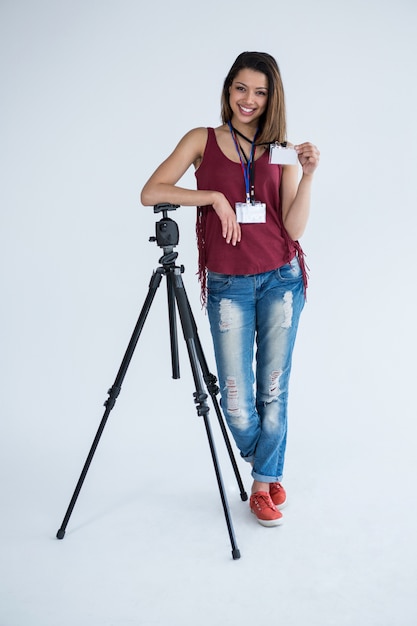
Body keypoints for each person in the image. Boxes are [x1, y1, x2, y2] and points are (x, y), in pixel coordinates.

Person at [141, 51, 320, 527]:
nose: (249, 100)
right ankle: (269, 462)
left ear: (271, 98)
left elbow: (295, 229)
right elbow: (151, 191)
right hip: (228, 286)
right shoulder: (201, 140)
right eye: (242, 88)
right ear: (228, 89)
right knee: (237, 401)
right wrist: (212, 197)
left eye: (260, 92)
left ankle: (262, 485)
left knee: (274, 390)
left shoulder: (279, 150)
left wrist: (308, 176)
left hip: (282, 278)